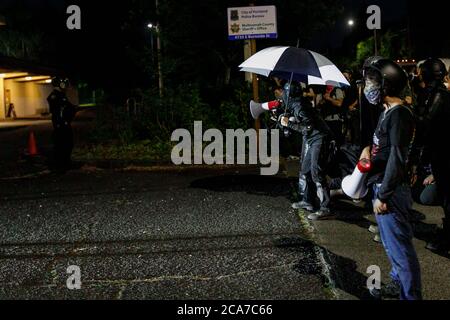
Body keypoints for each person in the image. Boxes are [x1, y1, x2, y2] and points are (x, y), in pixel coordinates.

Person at [362, 58, 422, 300]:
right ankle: (398, 285)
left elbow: (397, 158)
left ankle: (410, 296)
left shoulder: (399, 115)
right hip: (384, 185)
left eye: (370, 83)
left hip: (391, 191)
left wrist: (384, 195)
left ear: (385, 86)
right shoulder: (388, 112)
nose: (367, 88)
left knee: (401, 251)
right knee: (392, 247)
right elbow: (385, 147)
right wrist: (368, 149)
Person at [278, 82, 335, 220]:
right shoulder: (297, 104)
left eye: (284, 93)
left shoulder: (300, 106)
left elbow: (307, 127)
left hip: (319, 138)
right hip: (312, 139)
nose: (282, 95)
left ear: (289, 94)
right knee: (305, 170)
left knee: (316, 172)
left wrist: (289, 124)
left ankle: (325, 207)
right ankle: (308, 200)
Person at [416, 58, 450, 253]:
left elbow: (425, 123)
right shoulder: (435, 94)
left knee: (447, 199)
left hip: (444, 155)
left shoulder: (438, 96)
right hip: (440, 155)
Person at [47, 77, 77, 172]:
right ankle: (60, 165)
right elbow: (58, 111)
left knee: (67, 144)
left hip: (63, 123)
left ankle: (64, 164)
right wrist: (63, 121)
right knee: (62, 145)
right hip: (61, 125)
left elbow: (69, 107)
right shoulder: (55, 96)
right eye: (64, 83)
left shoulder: (60, 95)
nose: (66, 86)